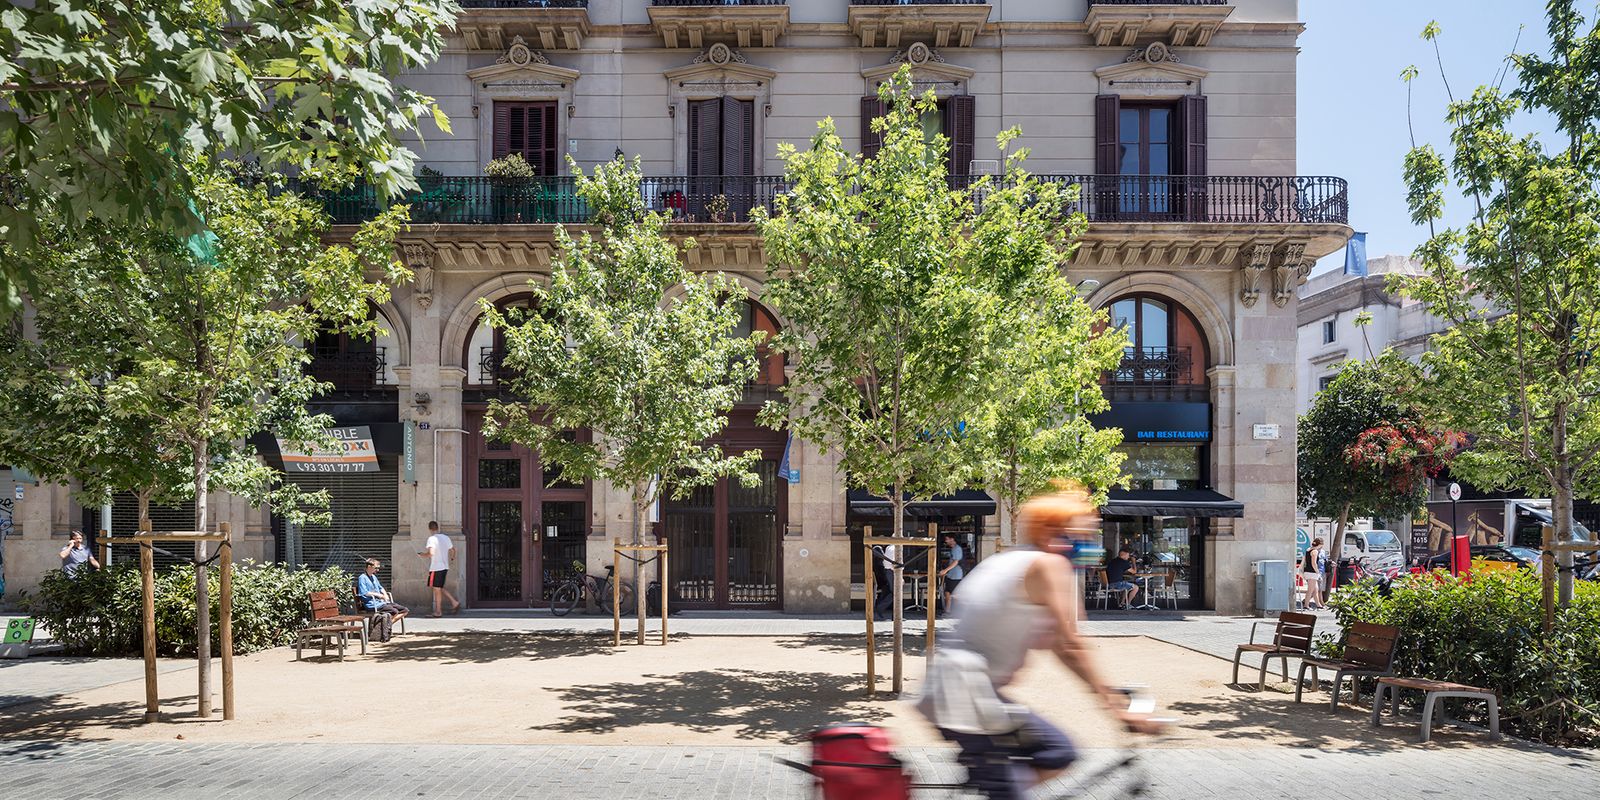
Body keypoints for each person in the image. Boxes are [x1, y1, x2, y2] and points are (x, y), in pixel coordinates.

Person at [914, 489, 1161, 799]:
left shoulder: (1008, 561)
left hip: (958, 690)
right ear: (1049, 532)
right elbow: (1069, 645)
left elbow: (1054, 641)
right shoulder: (1046, 565)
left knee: (1056, 752)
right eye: (1078, 534)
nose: (1085, 545)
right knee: (1048, 757)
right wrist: (1115, 706)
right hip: (966, 695)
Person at [357, 559, 408, 642]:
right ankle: (385, 628)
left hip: (381, 602)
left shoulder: (373, 577)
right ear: (369, 566)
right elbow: (364, 592)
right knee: (394, 611)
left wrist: (384, 594)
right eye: (376, 568)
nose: (378, 570)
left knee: (404, 610)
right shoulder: (362, 578)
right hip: (372, 604)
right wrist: (379, 595)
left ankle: (385, 626)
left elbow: (380, 588)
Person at [417, 521, 460, 617]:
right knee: (438, 587)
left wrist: (422, 555)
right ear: (437, 528)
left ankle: (438, 611)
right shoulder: (445, 537)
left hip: (436, 567)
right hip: (445, 567)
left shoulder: (432, 539)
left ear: (430, 529)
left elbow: (431, 553)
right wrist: (452, 558)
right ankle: (453, 603)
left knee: (436, 589)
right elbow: (453, 550)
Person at [938, 533, 965, 613]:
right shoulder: (954, 549)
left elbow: (955, 562)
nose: (945, 541)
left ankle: (956, 611)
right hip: (952, 574)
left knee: (955, 594)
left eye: (947, 539)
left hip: (956, 575)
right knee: (948, 592)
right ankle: (948, 610)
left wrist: (945, 570)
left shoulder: (957, 549)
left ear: (952, 539)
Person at [872, 541, 897, 621]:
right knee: (896, 593)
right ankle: (881, 607)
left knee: (893, 592)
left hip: (885, 577)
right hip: (888, 576)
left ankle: (892, 614)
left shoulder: (889, 548)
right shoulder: (895, 549)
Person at [1301, 538, 1325, 610]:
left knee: (1315, 589)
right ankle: (1306, 605)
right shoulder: (1315, 551)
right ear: (1320, 544)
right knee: (1310, 590)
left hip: (1307, 571)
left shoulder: (1309, 549)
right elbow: (1314, 563)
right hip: (1312, 572)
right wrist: (1317, 571)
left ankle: (1318, 605)